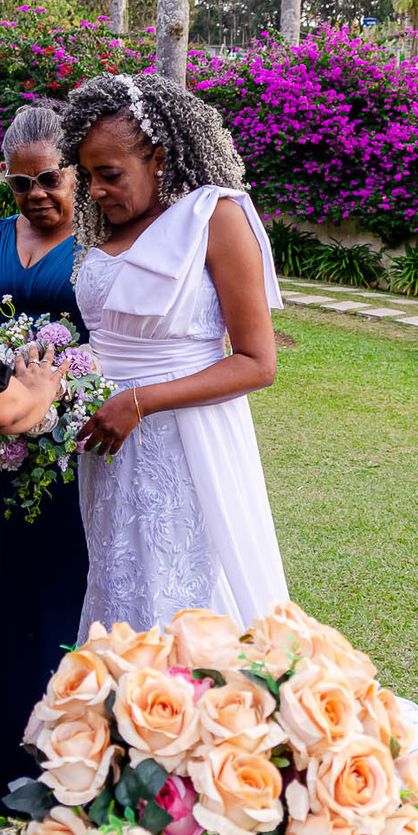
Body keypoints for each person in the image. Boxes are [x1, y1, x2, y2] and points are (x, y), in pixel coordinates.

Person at [62, 72, 290, 640]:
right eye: (88, 176)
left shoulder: (215, 218)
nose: (95, 190)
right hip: (112, 451)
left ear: (159, 159)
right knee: (121, 589)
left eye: (109, 174)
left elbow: (257, 362)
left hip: (186, 444)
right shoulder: (109, 228)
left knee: (182, 594)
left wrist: (139, 401)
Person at [0, 104, 90, 811]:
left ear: (75, 171)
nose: (36, 196)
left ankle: (58, 767)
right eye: (20, 184)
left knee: (59, 598)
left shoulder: (100, 248)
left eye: (50, 178)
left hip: (67, 455)